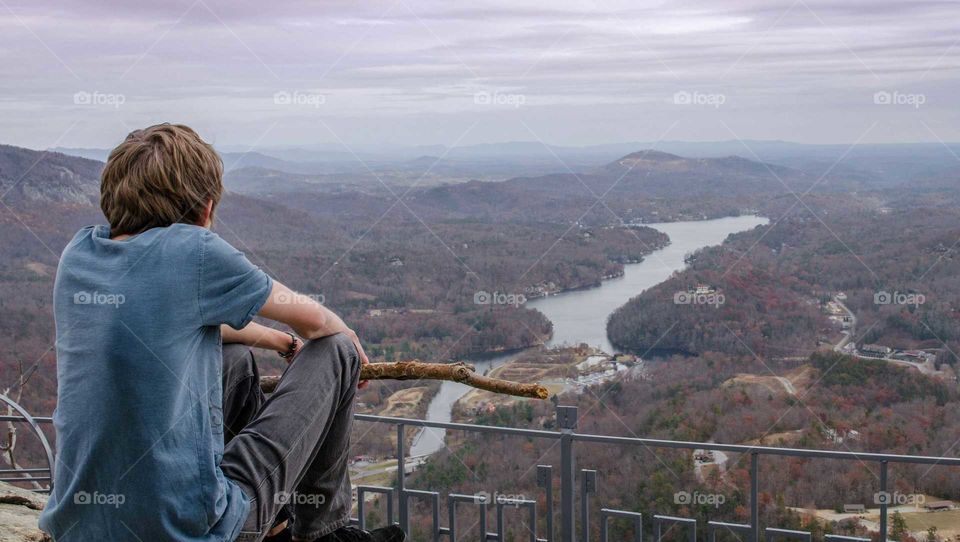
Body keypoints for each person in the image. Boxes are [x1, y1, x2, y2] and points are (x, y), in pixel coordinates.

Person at [38, 123, 405, 542]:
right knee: (337, 350)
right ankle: (323, 531)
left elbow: (172, 328)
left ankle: (277, 525)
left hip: (82, 525)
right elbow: (318, 322)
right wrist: (354, 350)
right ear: (206, 206)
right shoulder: (194, 250)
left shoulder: (79, 256)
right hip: (192, 531)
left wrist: (274, 340)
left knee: (235, 361)